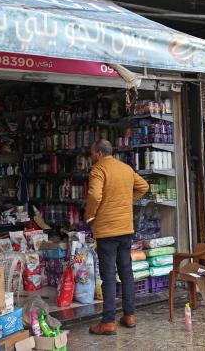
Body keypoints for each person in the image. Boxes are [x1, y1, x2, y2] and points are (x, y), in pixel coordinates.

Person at [86, 139, 149, 335]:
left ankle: (108, 322)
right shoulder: (125, 168)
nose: (91, 157)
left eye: (91, 153)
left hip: (107, 231)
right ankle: (129, 315)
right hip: (125, 229)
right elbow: (143, 186)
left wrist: (90, 215)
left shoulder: (98, 169)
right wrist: (125, 200)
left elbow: (95, 196)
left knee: (108, 277)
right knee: (126, 272)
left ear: (98, 154)